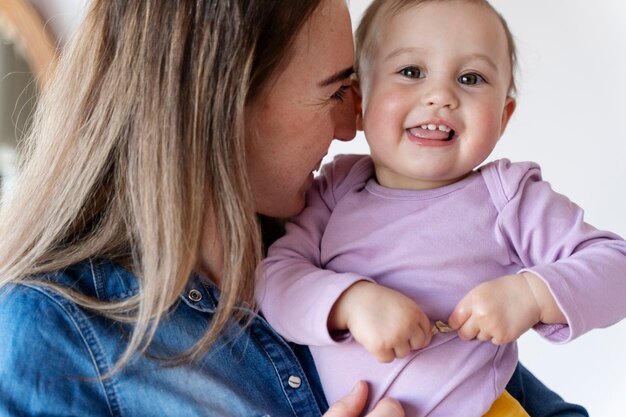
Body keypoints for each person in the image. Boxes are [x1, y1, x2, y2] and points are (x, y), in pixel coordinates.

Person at [0, 0, 594, 416]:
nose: (349, 127)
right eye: (336, 91)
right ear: (225, 100)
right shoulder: (53, 334)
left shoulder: (358, 239)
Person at [257, 0, 626, 415]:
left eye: (471, 77)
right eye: (411, 72)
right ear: (357, 102)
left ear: (503, 118)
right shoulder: (335, 192)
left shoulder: (509, 197)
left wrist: (532, 294)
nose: (441, 96)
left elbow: (616, 265)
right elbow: (276, 280)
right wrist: (350, 301)